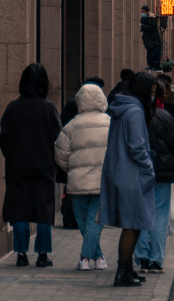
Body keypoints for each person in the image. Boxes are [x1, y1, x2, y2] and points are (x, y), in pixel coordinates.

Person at [0, 63, 61, 267]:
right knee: (44, 209)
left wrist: (11, 155)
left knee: (20, 209)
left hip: (18, 164)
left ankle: (21, 254)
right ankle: (43, 254)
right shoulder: (49, 108)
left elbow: (3, 137)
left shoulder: (13, 107)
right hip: (44, 165)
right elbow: (58, 138)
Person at [100, 71, 156, 287]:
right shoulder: (134, 112)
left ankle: (127, 269)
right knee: (133, 224)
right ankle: (123, 271)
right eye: (151, 91)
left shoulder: (123, 108)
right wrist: (149, 168)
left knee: (133, 223)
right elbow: (137, 146)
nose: (153, 96)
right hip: (132, 175)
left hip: (121, 171)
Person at [54, 83, 111, 270]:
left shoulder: (72, 125)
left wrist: (72, 169)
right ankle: (98, 258)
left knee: (82, 221)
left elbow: (60, 154)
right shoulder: (110, 123)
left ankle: (86, 258)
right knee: (95, 221)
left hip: (77, 182)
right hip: (102, 181)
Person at [135, 81, 174, 273]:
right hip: (162, 172)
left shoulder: (134, 117)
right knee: (160, 215)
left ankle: (142, 258)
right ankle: (156, 260)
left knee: (141, 215)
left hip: (139, 172)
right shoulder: (164, 116)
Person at [140, 5, 162, 72]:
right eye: (141, 12)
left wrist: (142, 26)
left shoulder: (152, 18)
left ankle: (156, 66)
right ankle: (151, 65)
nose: (142, 13)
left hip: (154, 41)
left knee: (155, 54)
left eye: (143, 12)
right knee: (149, 54)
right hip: (148, 41)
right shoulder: (143, 18)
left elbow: (150, 27)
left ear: (147, 12)